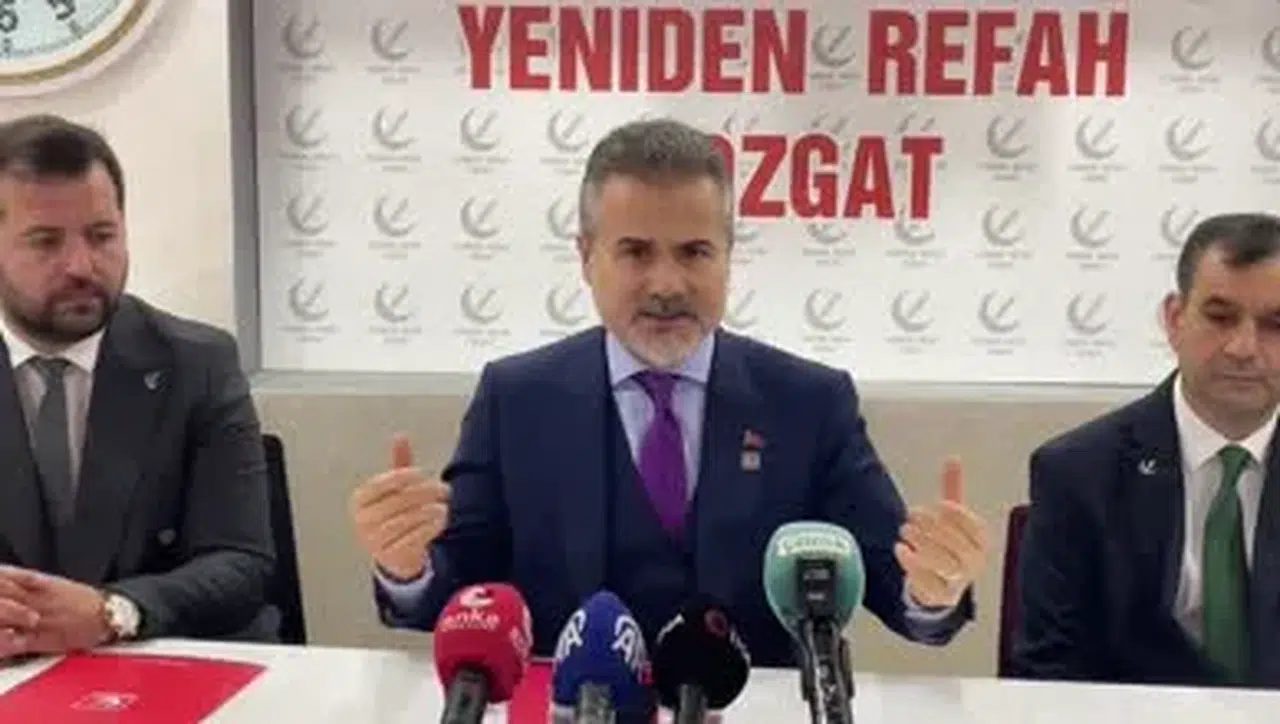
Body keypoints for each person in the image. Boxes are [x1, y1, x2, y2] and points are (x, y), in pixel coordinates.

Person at [349, 118, 989, 666]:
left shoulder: (809, 403)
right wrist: (408, 568)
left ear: (729, 257)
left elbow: (895, 586)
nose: (666, 284)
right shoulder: (515, 399)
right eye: (635, 252)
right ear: (586, 257)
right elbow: (456, 592)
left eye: (694, 252)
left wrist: (933, 588)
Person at [0, 113, 277, 660]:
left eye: (101, 235)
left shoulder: (197, 363)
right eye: (45, 242)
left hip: (159, 666)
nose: (81, 265)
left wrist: (113, 611)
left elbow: (242, 564)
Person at [1013, 212, 1280, 687]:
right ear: (1175, 320)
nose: (1243, 347)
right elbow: (1050, 672)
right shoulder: (1077, 473)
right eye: (1220, 318)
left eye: (1275, 325)